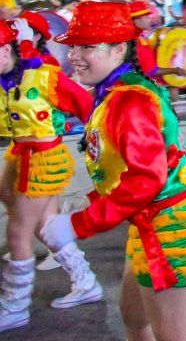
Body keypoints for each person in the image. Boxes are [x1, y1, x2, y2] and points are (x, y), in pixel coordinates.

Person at [42, 1, 186, 340]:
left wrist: (78, 224)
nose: (75, 55)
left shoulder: (129, 99)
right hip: (149, 220)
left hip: (170, 226)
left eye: (88, 46)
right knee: (134, 317)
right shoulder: (115, 91)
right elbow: (129, 166)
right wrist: (92, 199)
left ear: (120, 48)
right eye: (74, 46)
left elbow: (146, 179)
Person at [0, 19, 103, 333]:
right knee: (45, 228)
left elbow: (91, 107)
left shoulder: (44, 76)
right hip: (18, 154)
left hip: (43, 159)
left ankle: (14, 307)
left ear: (7, 48)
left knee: (17, 234)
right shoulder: (5, 81)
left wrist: (105, 148)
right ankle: (85, 283)